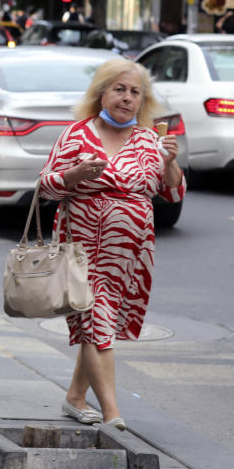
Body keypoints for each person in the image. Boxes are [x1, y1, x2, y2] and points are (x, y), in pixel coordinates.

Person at [39, 58, 184, 430]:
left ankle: (75, 397)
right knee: (96, 321)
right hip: (82, 251)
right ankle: (113, 413)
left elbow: (173, 191)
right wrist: (74, 174)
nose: (127, 97)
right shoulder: (77, 134)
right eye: (119, 89)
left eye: (135, 92)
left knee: (99, 323)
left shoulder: (150, 140)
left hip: (130, 255)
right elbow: (45, 186)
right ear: (102, 92)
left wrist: (170, 162)